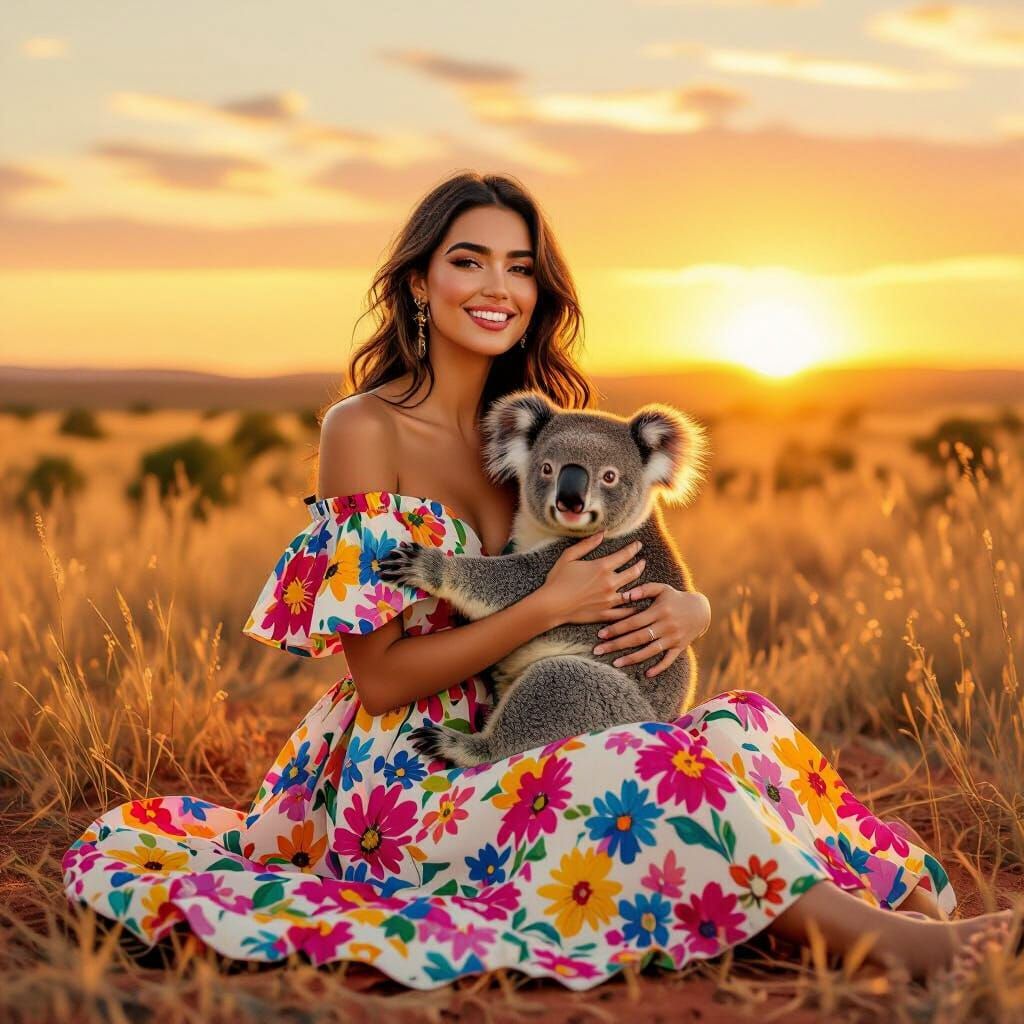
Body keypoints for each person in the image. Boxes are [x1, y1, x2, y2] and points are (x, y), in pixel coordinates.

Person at [62, 171, 1014, 990]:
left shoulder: (548, 432)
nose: (497, 286)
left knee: (738, 727)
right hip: (423, 763)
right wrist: (548, 608)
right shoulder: (365, 429)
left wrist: (690, 609)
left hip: (564, 716)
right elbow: (381, 679)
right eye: (469, 260)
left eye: (520, 267)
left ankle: (844, 904)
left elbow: (638, 564)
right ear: (420, 281)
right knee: (650, 775)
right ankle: (910, 952)